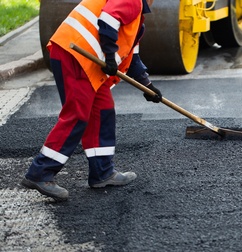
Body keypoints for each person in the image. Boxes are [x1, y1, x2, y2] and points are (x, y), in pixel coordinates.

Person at [21, 0, 162, 201]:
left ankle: (102, 172)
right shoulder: (133, 1)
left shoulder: (138, 20)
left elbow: (133, 59)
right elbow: (108, 19)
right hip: (77, 54)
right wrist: (110, 56)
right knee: (77, 115)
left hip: (88, 61)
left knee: (102, 111)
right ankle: (40, 172)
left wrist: (148, 87)